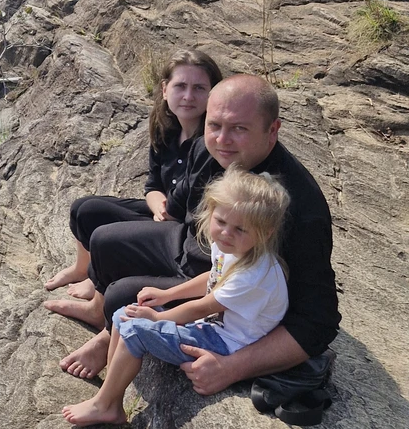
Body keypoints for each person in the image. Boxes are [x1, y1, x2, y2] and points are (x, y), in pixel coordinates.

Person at [58, 74, 340, 396]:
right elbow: (178, 210)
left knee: (126, 296)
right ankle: (101, 314)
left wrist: (232, 368)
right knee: (104, 239)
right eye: (215, 125)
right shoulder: (211, 150)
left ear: (272, 130)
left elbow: (318, 320)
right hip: (195, 246)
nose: (222, 139)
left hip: (227, 283)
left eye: (239, 128)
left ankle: (108, 335)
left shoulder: (298, 208)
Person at [62, 169, 289, 427]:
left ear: (266, 232)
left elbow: (203, 306)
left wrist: (158, 316)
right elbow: (212, 279)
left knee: (135, 330)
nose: (226, 233)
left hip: (229, 344)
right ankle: (109, 396)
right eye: (221, 222)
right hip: (217, 325)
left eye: (240, 229)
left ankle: (106, 405)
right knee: (123, 314)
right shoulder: (234, 248)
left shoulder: (253, 274)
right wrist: (167, 294)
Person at [43, 49, 224, 327]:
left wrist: (166, 212)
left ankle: (97, 304)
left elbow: (184, 209)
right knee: (86, 209)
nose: (188, 96)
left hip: (181, 229)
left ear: (214, 94)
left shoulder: (209, 143)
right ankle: (85, 271)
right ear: (165, 90)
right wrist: (156, 206)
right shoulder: (167, 129)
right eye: (180, 86)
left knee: (107, 238)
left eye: (199, 88)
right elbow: (152, 185)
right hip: (162, 214)